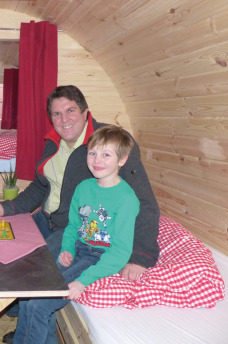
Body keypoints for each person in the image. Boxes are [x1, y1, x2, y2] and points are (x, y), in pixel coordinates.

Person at [0, 85, 160, 344]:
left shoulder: (108, 144)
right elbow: (40, 185)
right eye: (56, 114)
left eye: (70, 110)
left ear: (86, 112)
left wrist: (141, 256)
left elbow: (144, 201)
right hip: (45, 218)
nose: (64, 119)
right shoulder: (53, 143)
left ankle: (29, 327)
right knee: (4, 249)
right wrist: (7, 207)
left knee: (36, 275)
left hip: (67, 228)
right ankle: (21, 315)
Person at [13, 124, 140, 343]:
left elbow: (120, 252)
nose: (96, 160)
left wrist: (83, 281)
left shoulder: (127, 199)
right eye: (92, 153)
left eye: (106, 154)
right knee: (29, 290)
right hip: (78, 247)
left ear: (122, 160)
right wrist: (67, 249)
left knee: (39, 304)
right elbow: (73, 226)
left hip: (99, 257)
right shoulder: (83, 187)